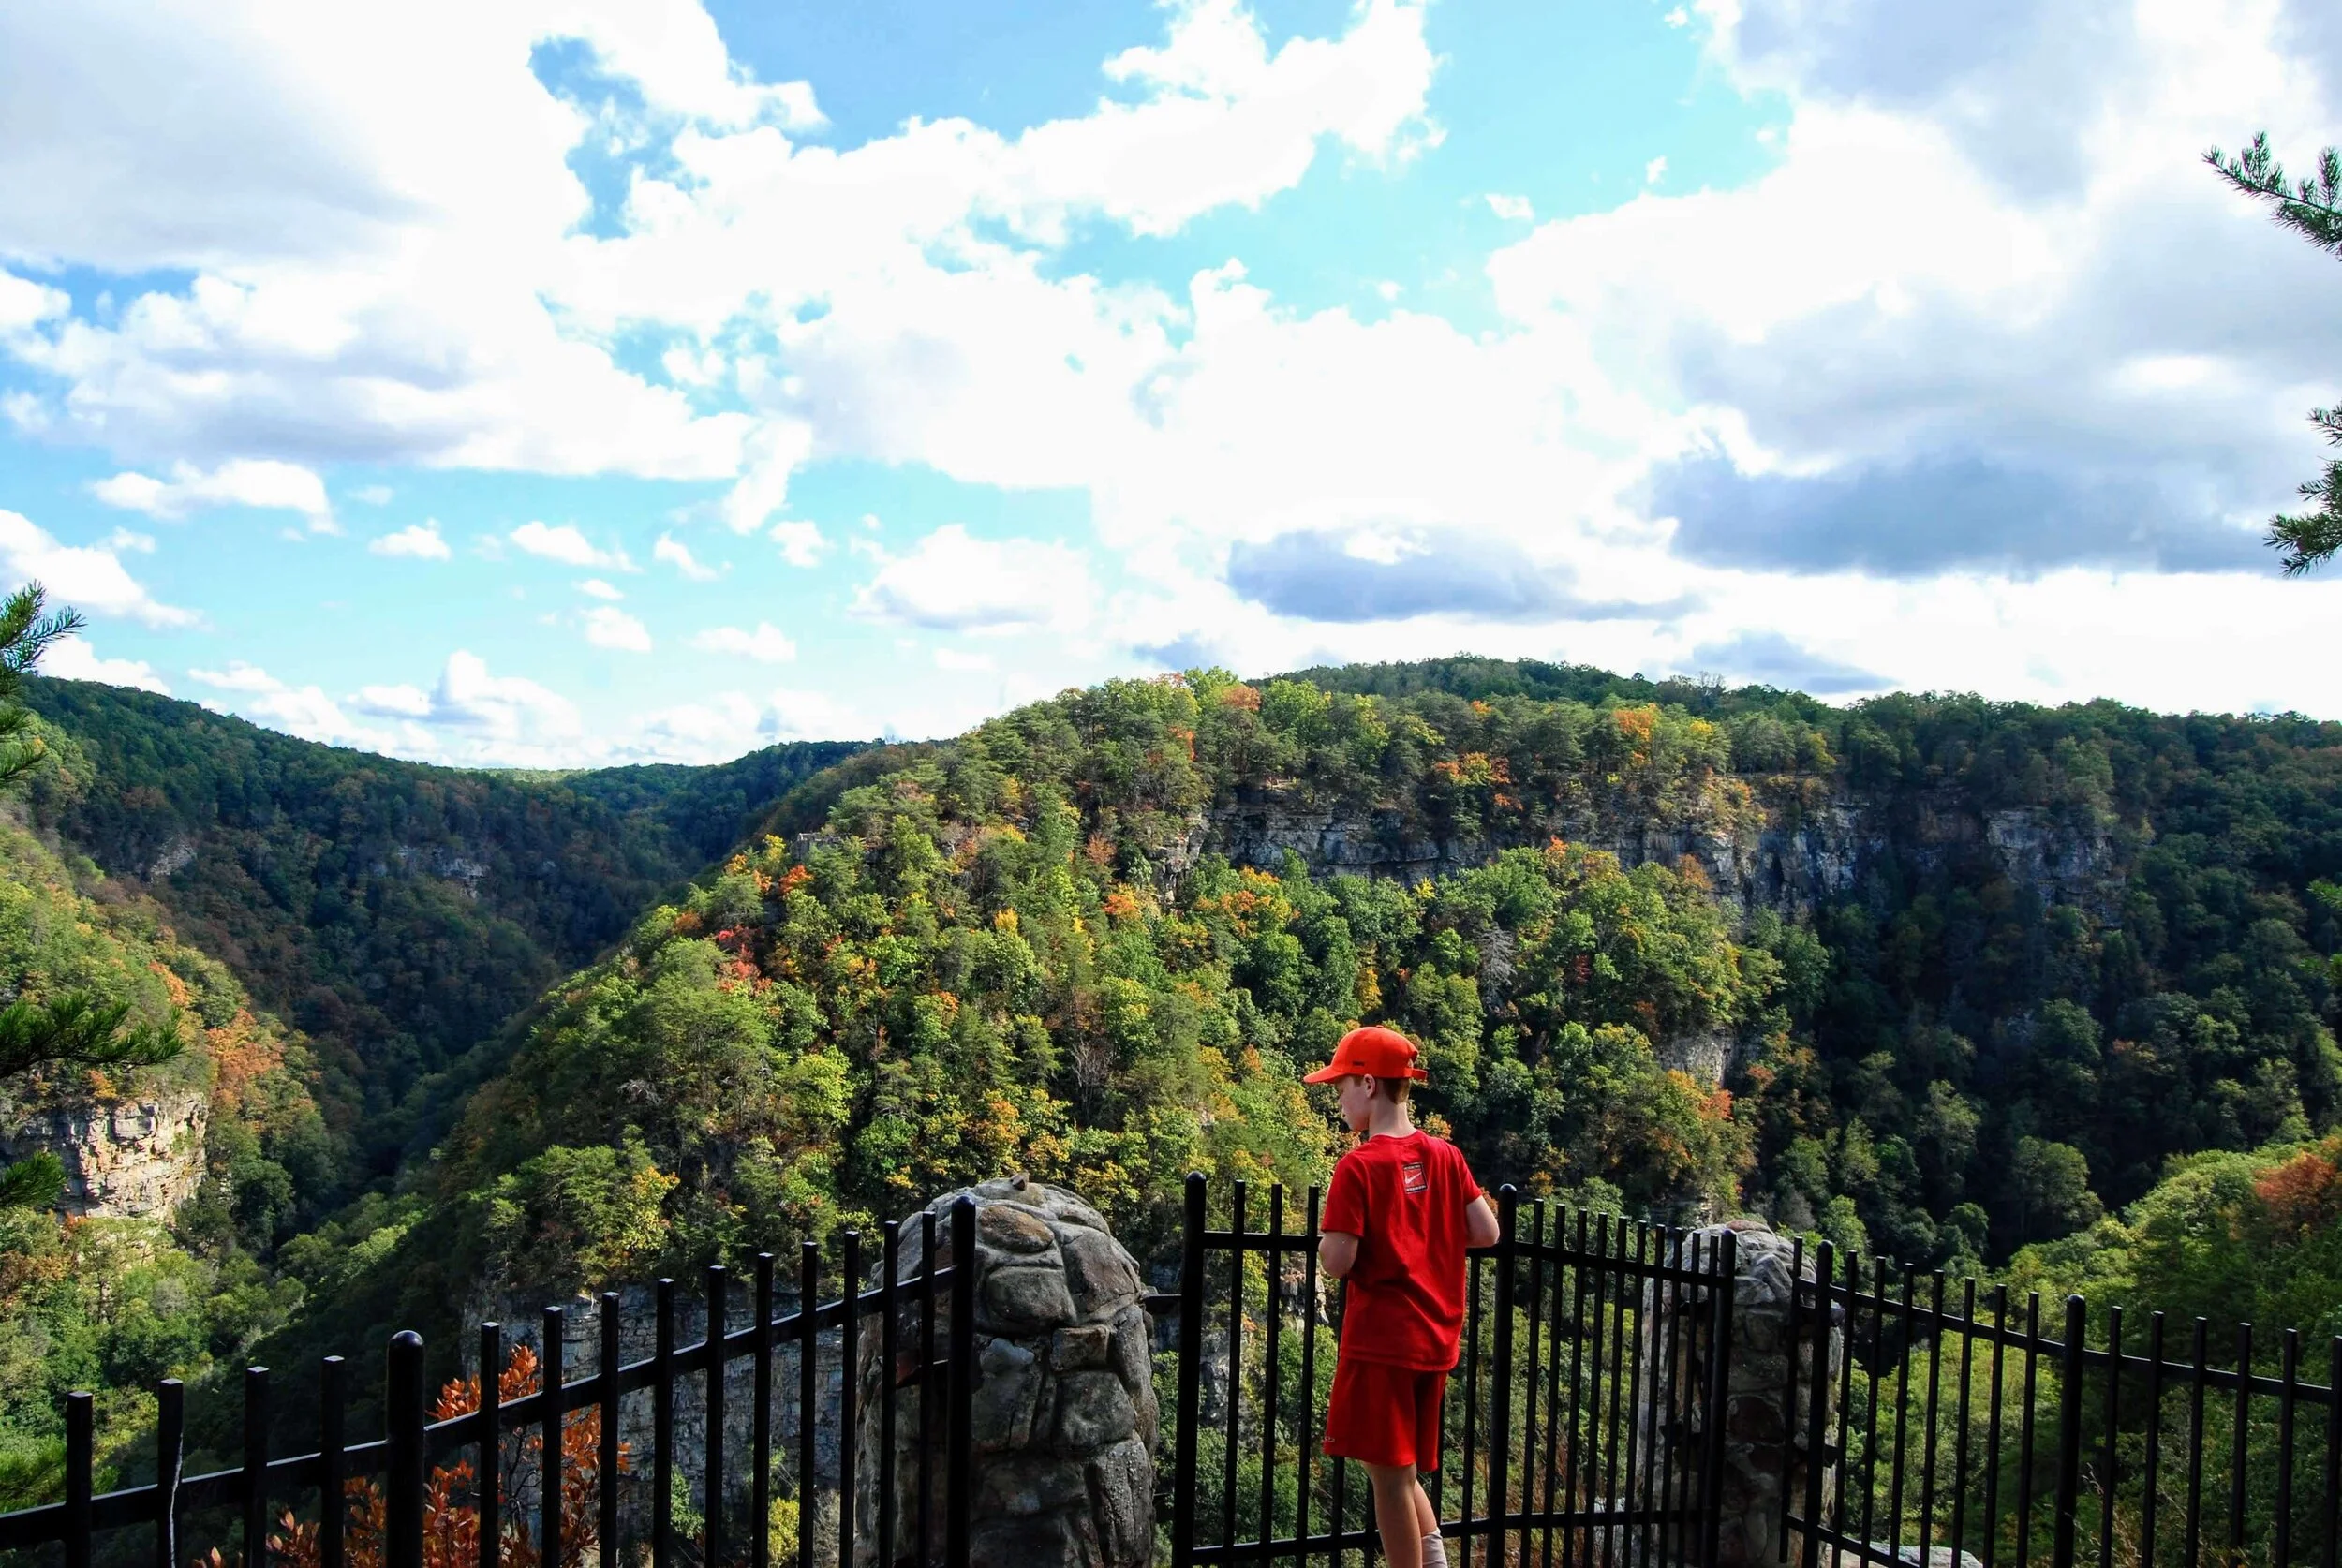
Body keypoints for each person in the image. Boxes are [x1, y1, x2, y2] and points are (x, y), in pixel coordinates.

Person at [1308, 1025, 1500, 1568]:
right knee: (1398, 1464)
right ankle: (1434, 1556)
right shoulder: (1445, 1155)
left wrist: (1337, 1238)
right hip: (1435, 1338)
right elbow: (1486, 1233)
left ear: (1369, 1085)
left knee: (1388, 1478)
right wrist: (1425, 1230)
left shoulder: (1359, 1166)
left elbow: (1337, 1261)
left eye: (1342, 1086)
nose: (1339, 1098)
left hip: (1381, 1342)